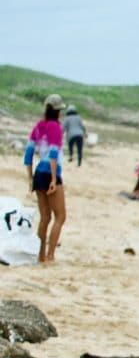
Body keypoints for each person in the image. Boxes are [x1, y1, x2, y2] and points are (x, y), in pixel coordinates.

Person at [23, 94, 66, 264]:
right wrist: (54, 179)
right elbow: (54, 154)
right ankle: (50, 256)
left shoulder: (38, 126)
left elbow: (28, 154)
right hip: (51, 173)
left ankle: (40, 255)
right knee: (60, 217)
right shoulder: (56, 127)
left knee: (45, 217)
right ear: (57, 111)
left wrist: (29, 178)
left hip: (39, 174)